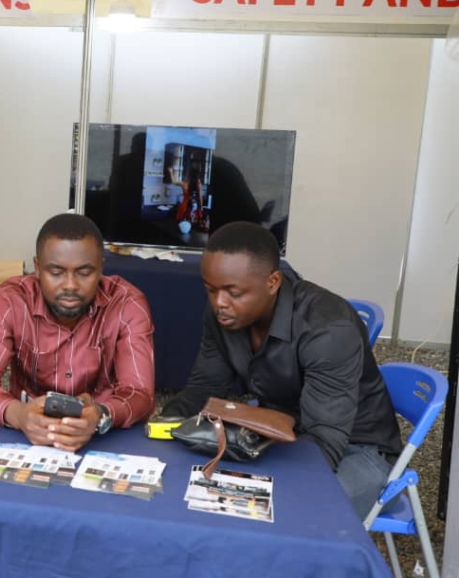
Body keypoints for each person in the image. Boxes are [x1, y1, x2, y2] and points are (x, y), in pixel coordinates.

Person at [161, 221, 401, 518]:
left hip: (358, 450)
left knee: (280, 512)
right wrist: (163, 425)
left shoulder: (328, 330)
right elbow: (203, 388)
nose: (219, 303)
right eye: (210, 290)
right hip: (280, 431)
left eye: (233, 292)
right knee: (187, 483)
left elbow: (323, 445)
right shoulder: (223, 315)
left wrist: (254, 490)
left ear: (273, 282)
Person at [0, 213, 155, 452]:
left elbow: (140, 393)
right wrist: (17, 414)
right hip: (25, 435)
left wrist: (101, 414)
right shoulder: (12, 300)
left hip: (103, 438)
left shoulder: (126, 303)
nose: (70, 285)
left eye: (84, 272)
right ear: (37, 268)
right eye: (56, 272)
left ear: (101, 268)